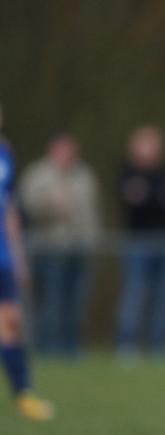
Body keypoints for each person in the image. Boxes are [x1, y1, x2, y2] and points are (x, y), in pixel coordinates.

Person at [19, 132, 100, 356]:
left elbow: (91, 212)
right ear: (52, 150)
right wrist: (51, 204)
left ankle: (72, 349)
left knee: (76, 304)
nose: (66, 154)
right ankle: (48, 348)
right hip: (49, 249)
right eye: (62, 149)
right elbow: (25, 208)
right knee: (50, 303)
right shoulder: (38, 175)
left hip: (79, 248)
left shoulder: (84, 175)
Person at [0, 105, 54, 419]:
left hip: (3, 255)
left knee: (11, 322)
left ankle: (23, 395)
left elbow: (9, 210)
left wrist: (18, 257)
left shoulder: (6, 153)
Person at [116, 125, 165, 359]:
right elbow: (134, 204)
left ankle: (160, 346)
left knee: (163, 296)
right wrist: (155, 198)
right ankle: (127, 345)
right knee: (134, 294)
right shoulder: (127, 172)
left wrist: (149, 197)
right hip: (138, 241)